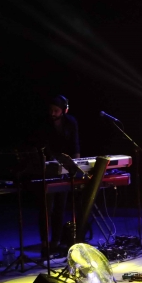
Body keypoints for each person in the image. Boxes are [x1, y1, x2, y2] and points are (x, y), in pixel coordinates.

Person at [36, 95, 80, 254]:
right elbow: (42, 146)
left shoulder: (71, 122)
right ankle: (44, 243)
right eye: (51, 110)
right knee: (46, 208)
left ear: (64, 110)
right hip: (48, 167)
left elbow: (75, 145)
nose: (52, 113)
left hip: (65, 167)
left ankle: (56, 241)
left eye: (56, 110)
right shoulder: (44, 123)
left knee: (60, 207)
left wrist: (76, 165)